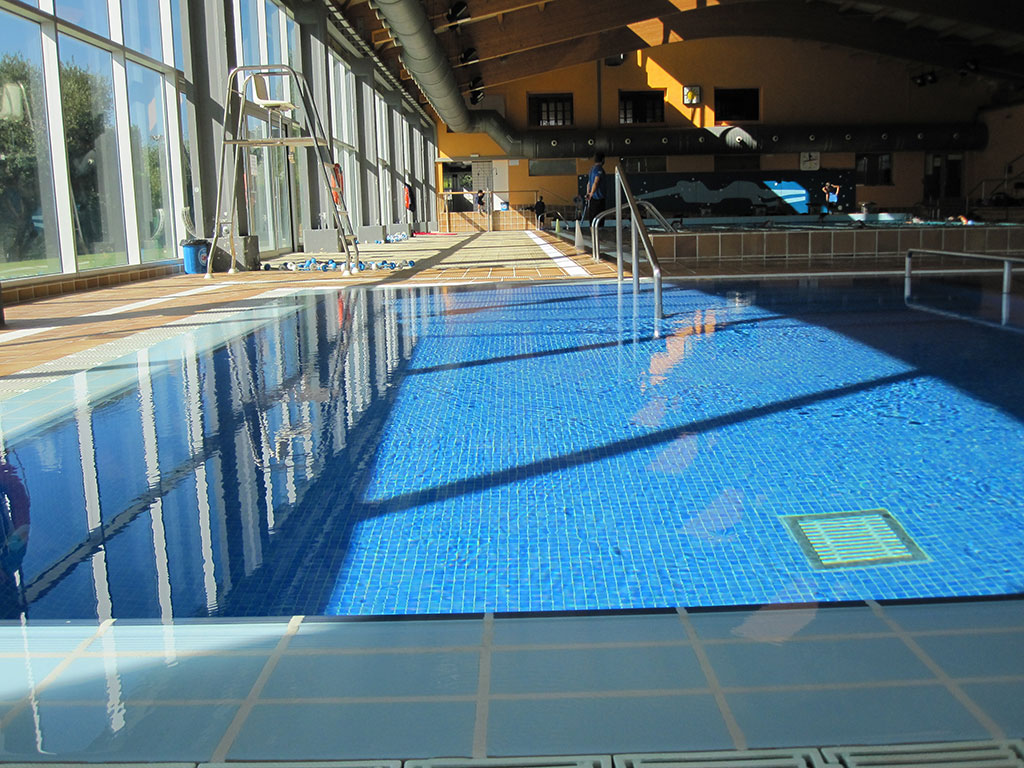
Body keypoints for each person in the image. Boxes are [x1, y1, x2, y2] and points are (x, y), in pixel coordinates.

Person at [584, 153, 607, 228]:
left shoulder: (592, 169)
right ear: (603, 159)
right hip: (598, 198)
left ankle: (592, 233)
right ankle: (599, 234)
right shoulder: (599, 169)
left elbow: (588, 183)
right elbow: (596, 182)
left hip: (592, 199)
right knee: (599, 219)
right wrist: (591, 193)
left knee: (592, 219)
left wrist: (588, 193)